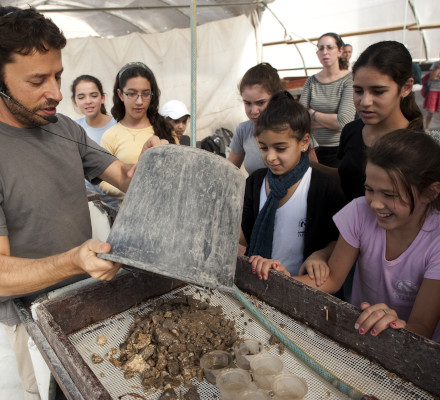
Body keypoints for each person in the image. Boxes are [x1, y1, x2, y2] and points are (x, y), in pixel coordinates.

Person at [0, 7, 161, 399]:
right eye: (38, 80)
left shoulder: (64, 128)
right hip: (34, 319)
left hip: (87, 299)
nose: (56, 92)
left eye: (57, 75)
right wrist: (73, 260)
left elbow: (121, 175)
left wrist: (151, 164)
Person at [295, 130, 440, 343]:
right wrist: (279, 277)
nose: (375, 204)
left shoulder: (436, 240)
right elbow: (332, 279)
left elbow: (422, 327)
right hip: (360, 336)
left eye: (389, 195)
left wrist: (394, 324)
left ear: (430, 193)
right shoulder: (359, 212)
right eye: (369, 189)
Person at [241, 91, 345, 279]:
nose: (270, 157)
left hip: (301, 285)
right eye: (263, 147)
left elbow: (338, 240)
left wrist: (321, 255)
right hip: (256, 281)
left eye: (280, 148)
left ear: (304, 142)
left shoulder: (323, 188)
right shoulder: (255, 183)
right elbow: (245, 233)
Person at [99, 62, 176, 204]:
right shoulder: (110, 136)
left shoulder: (165, 129)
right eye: (132, 94)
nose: (139, 101)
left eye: (145, 94)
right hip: (130, 217)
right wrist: (137, 189)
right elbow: (104, 182)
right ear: (120, 94)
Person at [228, 63, 318, 175]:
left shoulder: (295, 125)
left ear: (276, 97)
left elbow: (315, 170)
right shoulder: (243, 130)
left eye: (260, 102)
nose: (253, 110)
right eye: (247, 103)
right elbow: (229, 171)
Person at [300, 32, 356, 168]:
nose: (325, 52)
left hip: (339, 150)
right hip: (311, 149)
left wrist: (312, 114)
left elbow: (343, 122)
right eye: (321, 48)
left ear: (340, 51)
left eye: (330, 47)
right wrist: (332, 121)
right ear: (317, 53)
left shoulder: (349, 80)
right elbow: (300, 118)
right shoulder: (311, 81)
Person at [71, 74, 119, 208]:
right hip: (90, 205)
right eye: (81, 97)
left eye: (93, 95)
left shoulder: (119, 125)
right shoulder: (73, 129)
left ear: (103, 98)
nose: (88, 101)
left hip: (120, 203)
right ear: (75, 101)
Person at [423, 56, 440, 131]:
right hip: (433, 90)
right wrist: (439, 67)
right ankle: (427, 128)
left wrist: (437, 78)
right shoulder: (435, 64)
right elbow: (432, 77)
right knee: (430, 111)